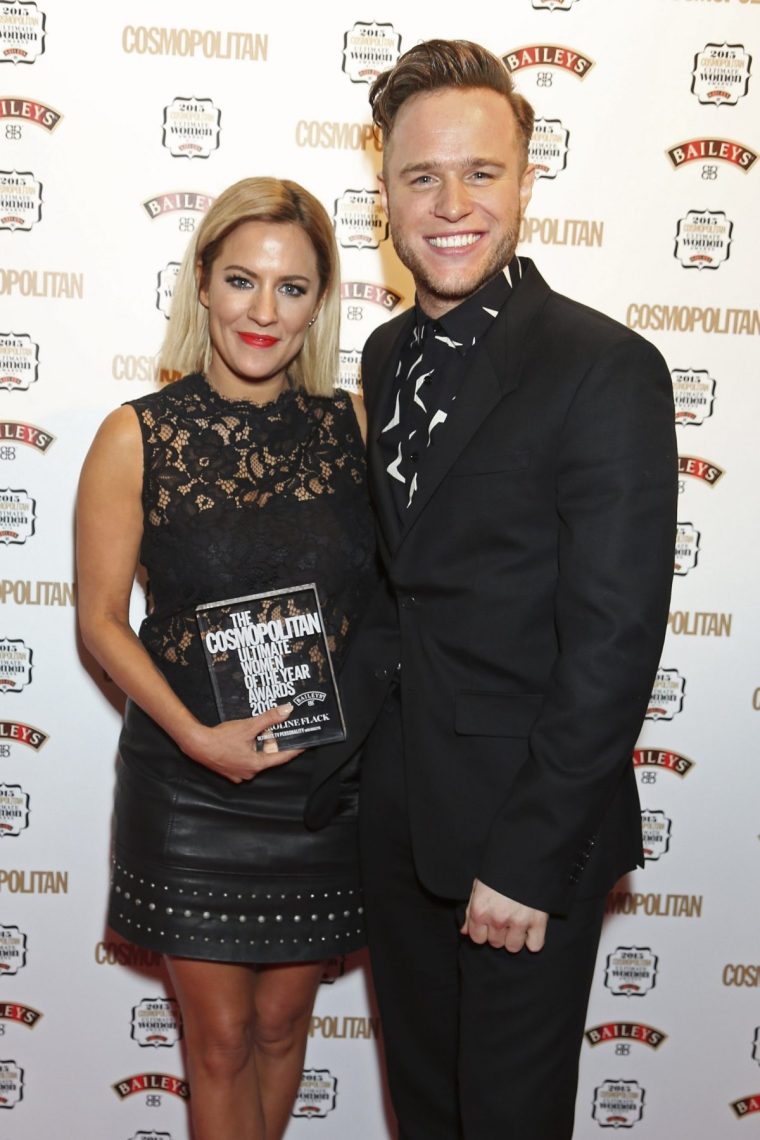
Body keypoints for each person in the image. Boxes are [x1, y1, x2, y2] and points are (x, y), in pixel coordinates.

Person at [305, 40, 678, 1139]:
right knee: (425, 1114)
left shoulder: (602, 367)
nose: (451, 203)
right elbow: (403, 586)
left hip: (526, 836)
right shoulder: (381, 356)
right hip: (401, 821)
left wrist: (527, 860)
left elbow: (613, 640)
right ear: (385, 195)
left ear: (524, 181)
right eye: (421, 177)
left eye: (481, 173)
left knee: (506, 1120)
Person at [76, 177, 377, 1140]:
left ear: (319, 300)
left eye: (292, 288)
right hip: (190, 785)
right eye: (241, 280)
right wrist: (200, 739)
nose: (262, 310)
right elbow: (101, 622)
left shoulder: (356, 430)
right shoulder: (137, 435)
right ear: (201, 281)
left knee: (287, 1025)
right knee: (217, 1042)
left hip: (323, 784)